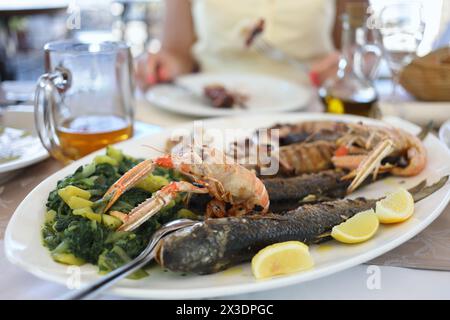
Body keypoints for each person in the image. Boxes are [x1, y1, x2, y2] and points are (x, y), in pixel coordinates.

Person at [136, 0, 368, 91]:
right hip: (209, 116)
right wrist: (163, 66)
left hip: (312, 108)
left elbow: (365, 51)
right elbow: (176, 54)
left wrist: (346, 67)